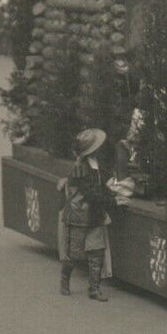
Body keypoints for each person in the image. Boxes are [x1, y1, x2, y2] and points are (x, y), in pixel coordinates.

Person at [59, 128, 114, 301]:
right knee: (73, 254)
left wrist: (110, 194)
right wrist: (112, 200)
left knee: (96, 252)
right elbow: (90, 193)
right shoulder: (80, 167)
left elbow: (99, 187)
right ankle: (64, 280)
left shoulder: (94, 163)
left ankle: (94, 289)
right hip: (79, 216)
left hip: (94, 215)